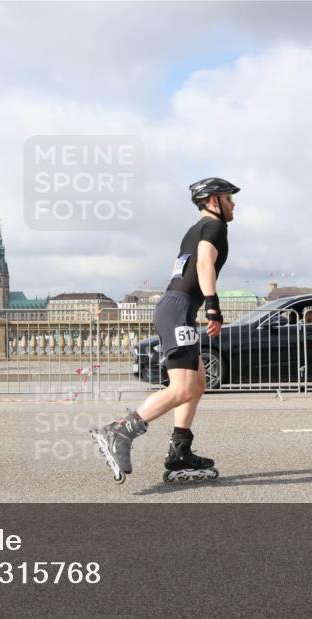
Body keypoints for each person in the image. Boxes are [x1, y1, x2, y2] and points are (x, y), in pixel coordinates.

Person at [91, 177, 239, 483]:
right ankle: (119, 432)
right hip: (180, 308)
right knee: (182, 388)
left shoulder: (195, 229)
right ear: (213, 201)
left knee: (196, 384)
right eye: (228, 198)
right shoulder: (214, 227)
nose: (233, 203)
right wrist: (213, 306)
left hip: (176, 307)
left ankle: (179, 453)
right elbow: (203, 265)